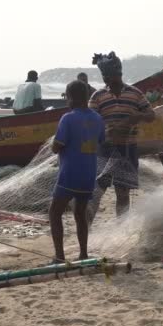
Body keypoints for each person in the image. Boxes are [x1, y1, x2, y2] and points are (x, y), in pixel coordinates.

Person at [89, 51, 156, 216]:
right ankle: (87, 228)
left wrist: (137, 116)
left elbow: (151, 115)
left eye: (108, 75)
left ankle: (121, 228)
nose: (106, 79)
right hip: (104, 150)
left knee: (123, 193)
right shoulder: (97, 96)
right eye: (104, 76)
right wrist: (104, 131)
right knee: (97, 192)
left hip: (127, 149)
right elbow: (89, 122)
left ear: (118, 74)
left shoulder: (135, 93)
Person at [49, 80, 105, 262]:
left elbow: (57, 147)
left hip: (69, 174)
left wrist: (53, 144)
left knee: (54, 212)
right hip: (88, 174)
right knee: (80, 214)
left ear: (71, 97)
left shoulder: (68, 118)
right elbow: (101, 140)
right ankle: (83, 253)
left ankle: (59, 256)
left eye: (67, 96)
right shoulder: (97, 118)